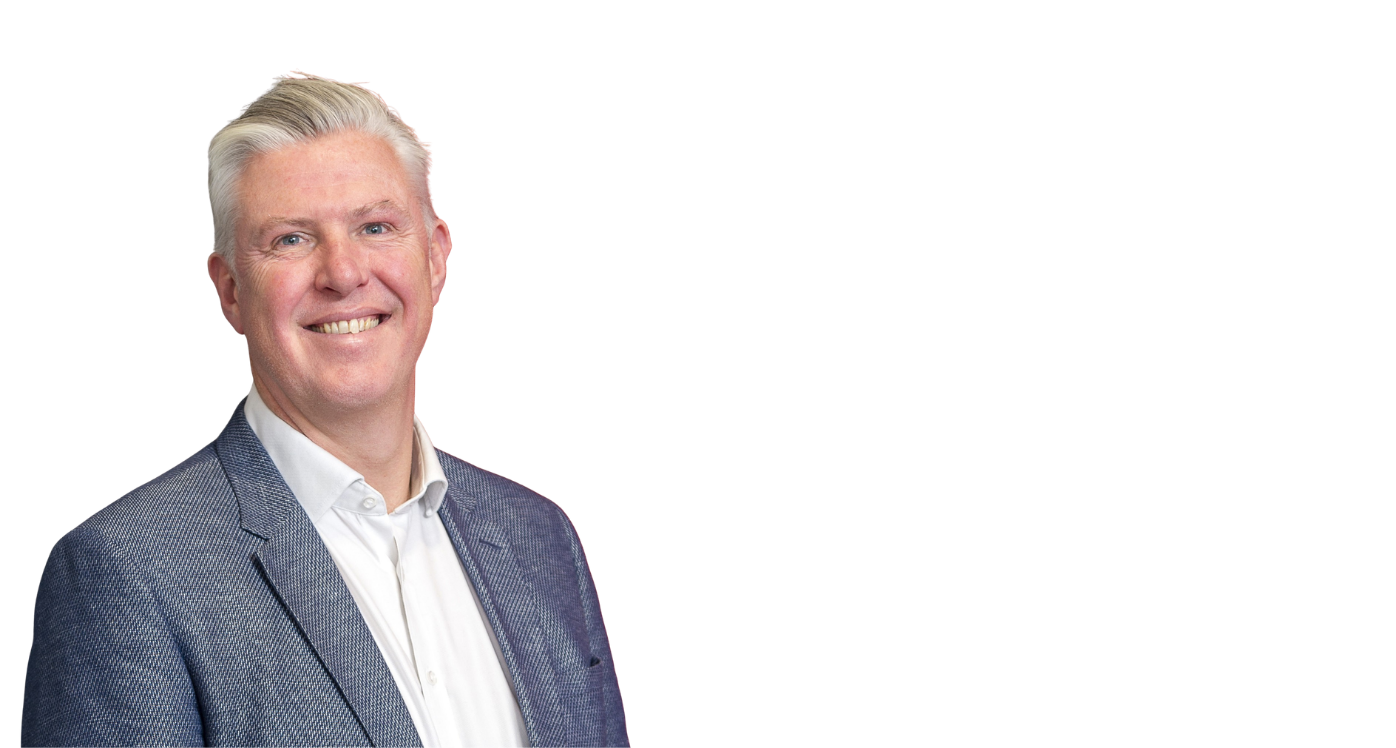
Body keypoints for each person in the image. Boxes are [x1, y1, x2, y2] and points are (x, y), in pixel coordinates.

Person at [21, 71, 627, 748]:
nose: (343, 273)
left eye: (375, 226)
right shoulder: (128, 572)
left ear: (436, 259)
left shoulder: (539, 539)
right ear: (229, 291)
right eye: (290, 239)